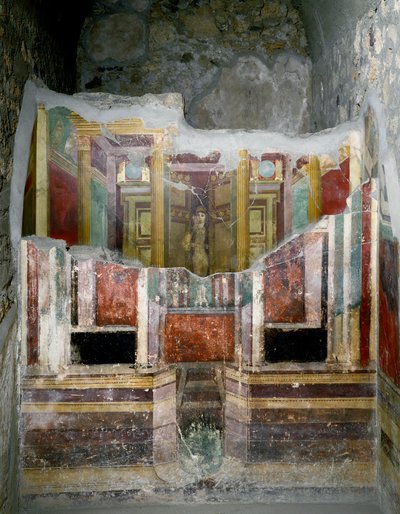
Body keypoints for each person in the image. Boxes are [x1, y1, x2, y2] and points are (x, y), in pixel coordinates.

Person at [182, 205, 209, 276]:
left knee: (204, 271)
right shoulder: (192, 230)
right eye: (198, 215)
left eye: (202, 215)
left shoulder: (208, 231)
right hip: (195, 255)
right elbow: (185, 244)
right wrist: (191, 245)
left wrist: (207, 246)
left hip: (204, 255)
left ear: (205, 218)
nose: (200, 217)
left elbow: (210, 244)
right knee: (196, 273)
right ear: (195, 217)